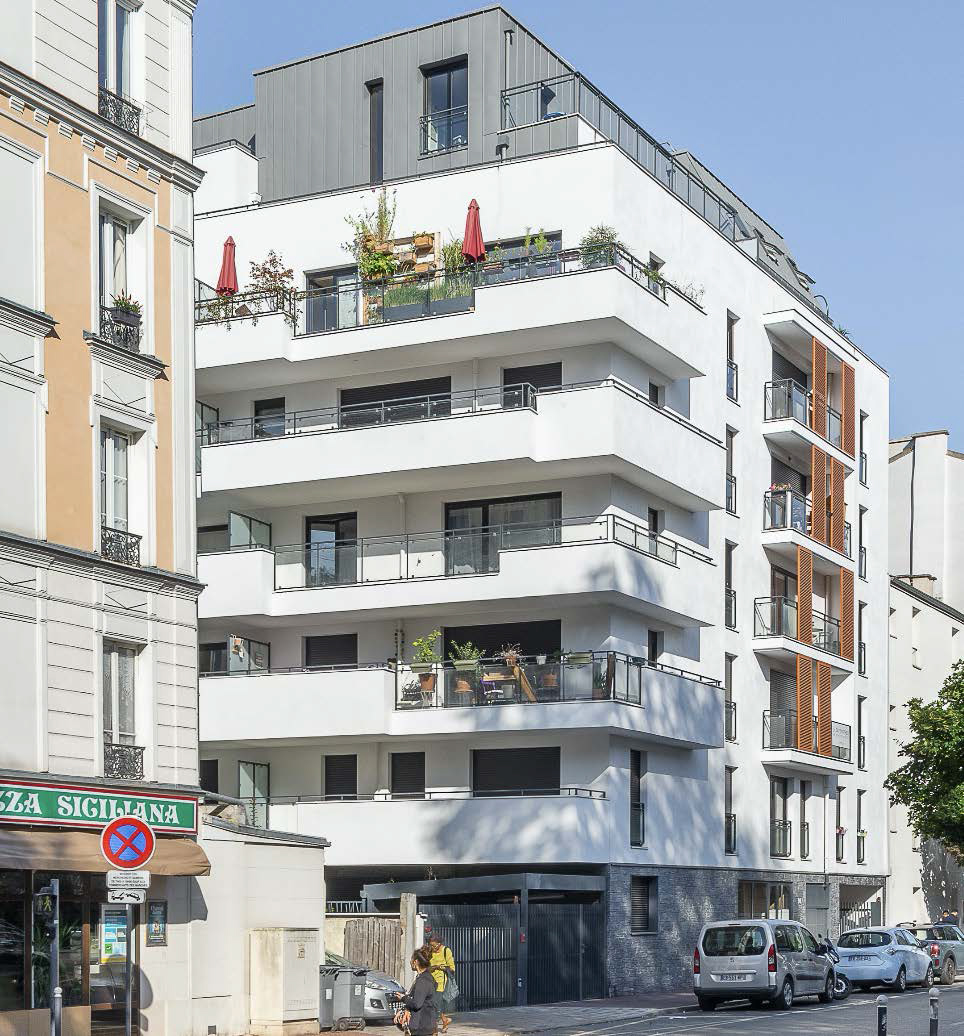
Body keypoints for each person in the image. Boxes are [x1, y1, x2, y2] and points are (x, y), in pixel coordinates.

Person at [393, 948, 438, 1036]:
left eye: (411, 959)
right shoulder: (426, 977)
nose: (410, 962)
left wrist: (403, 998)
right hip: (424, 1026)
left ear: (416, 962)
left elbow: (417, 1004)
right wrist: (405, 1009)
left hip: (422, 1028)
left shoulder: (423, 980)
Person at [426, 934, 456, 1033]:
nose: (432, 948)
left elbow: (452, 969)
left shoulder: (446, 951)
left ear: (439, 943)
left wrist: (441, 967)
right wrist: (433, 967)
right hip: (430, 980)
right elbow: (427, 966)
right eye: (430, 945)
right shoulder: (430, 951)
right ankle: (445, 1020)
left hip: (440, 982)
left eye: (434, 945)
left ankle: (433, 1028)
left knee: (436, 1003)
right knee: (434, 1003)